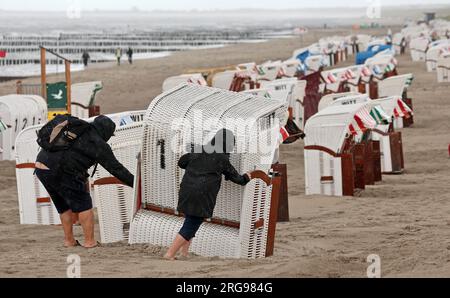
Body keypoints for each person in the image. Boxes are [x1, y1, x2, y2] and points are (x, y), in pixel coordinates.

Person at [35, 115, 134, 248]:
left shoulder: (78, 129)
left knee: (63, 205)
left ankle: (69, 241)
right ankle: (90, 242)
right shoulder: (98, 143)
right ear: (107, 132)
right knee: (84, 204)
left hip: (41, 166)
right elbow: (117, 169)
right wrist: (136, 183)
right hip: (61, 169)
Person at [164, 129, 252, 261]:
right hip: (202, 195)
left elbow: (181, 162)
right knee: (192, 224)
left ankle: (184, 253)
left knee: (190, 221)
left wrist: (196, 165)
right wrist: (247, 176)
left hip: (187, 190)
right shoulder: (222, 158)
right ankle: (169, 254)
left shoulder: (199, 149)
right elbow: (238, 179)